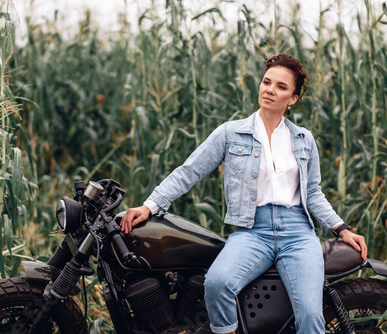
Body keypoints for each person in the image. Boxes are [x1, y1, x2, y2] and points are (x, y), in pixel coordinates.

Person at [120, 53, 367, 334]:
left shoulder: (303, 139)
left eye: (281, 87)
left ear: (293, 99)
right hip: (253, 231)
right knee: (216, 284)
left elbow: (312, 193)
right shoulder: (230, 133)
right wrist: (150, 205)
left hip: (298, 234)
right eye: (266, 82)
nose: (270, 90)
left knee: (310, 316)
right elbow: (189, 171)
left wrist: (341, 228)